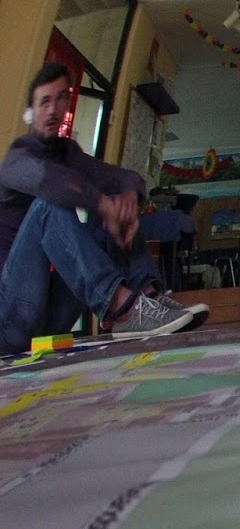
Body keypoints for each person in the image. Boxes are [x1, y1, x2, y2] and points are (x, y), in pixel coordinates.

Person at [0, 63, 208, 356]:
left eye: (60, 98)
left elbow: (123, 177)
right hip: (8, 321)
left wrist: (127, 200)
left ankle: (149, 298)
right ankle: (122, 308)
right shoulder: (17, 159)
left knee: (112, 213)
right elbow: (50, 182)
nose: (53, 110)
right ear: (30, 111)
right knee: (48, 207)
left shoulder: (67, 153)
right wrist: (102, 203)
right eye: (44, 101)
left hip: (50, 319)